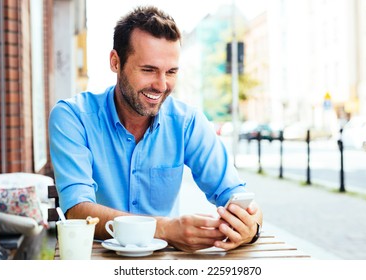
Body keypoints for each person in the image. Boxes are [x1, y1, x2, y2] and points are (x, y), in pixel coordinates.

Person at [49, 6, 262, 252]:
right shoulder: (72, 117)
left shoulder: (187, 122)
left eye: (171, 72)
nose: (161, 85)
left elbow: (236, 194)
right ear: (115, 62)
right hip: (97, 260)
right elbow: (77, 210)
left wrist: (250, 228)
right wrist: (164, 229)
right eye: (149, 70)